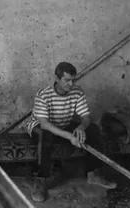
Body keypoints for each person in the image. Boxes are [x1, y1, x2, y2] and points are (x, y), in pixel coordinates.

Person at [27, 61, 116, 202]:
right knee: (46, 135)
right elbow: (45, 124)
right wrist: (69, 136)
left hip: (63, 125)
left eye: (73, 80)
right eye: (67, 80)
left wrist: (81, 127)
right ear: (57, 79)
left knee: (92, 129)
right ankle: (41, 179)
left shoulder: (77, 92)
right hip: (41, 128)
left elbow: (86, 117)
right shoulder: (43, 95)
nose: (71, 84)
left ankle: (93, 174)